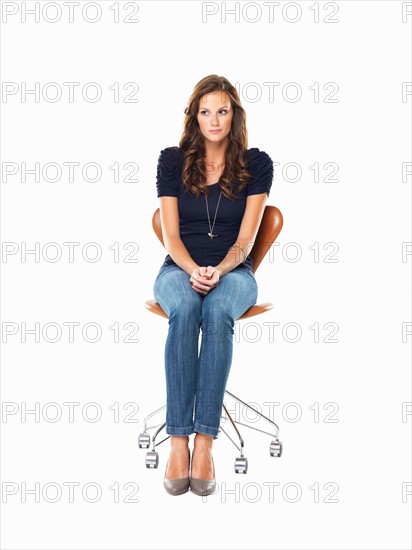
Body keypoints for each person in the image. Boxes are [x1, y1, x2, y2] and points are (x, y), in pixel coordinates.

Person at [153, 74, 274, 496]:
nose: (214, 120)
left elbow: (245, 241)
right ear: (195, 117)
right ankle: (178, 442)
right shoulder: (172, 161)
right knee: (186, 307)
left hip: (235, 273)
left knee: (216, 309)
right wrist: (191, 270)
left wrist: (220, 270)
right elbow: (170, 237)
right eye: (206, 112)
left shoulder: (256, 164)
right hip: (178, 268)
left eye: (222, 110)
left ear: (234, 115)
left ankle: (204, 443)